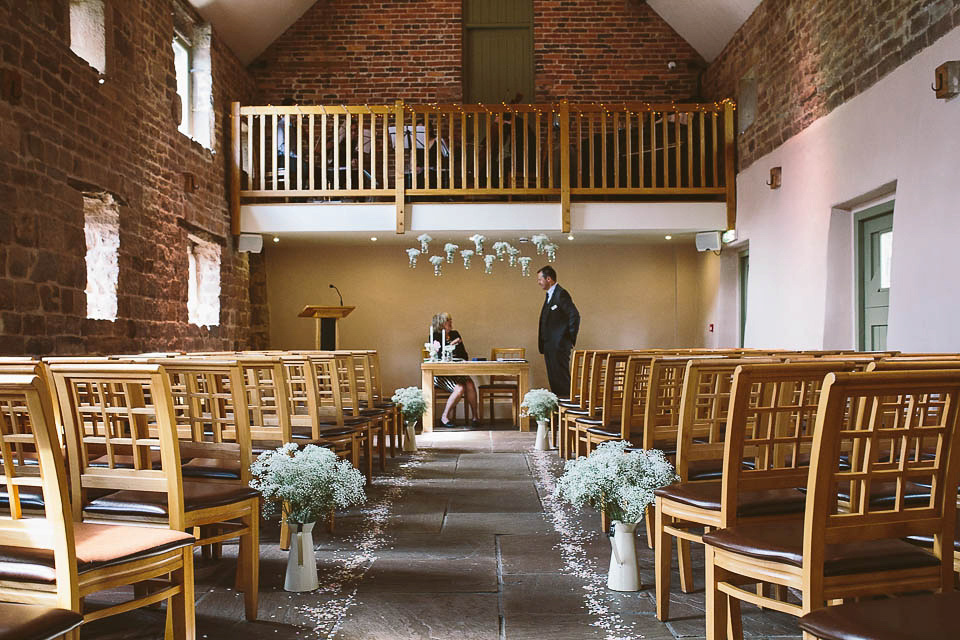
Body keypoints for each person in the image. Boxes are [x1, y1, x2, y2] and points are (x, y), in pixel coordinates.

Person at [430, 312, 480, 428]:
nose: (451, 323)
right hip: (442, 374)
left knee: (470, 384)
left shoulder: (455, 333)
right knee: (460, 388)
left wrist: (461, 359)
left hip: (457, 371)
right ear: (441, 323)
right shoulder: (435, 336)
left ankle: (475, 417)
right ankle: (444, 417)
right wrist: (452, 344)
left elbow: (464, 354)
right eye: (448, 321)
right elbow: (439, 355)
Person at [537, 265, 580, 396]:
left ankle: (568, 410)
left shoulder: (561, 294)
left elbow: (574, 315)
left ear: (549, 279)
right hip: (549, 345)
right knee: (554, 380)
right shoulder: (550, 295)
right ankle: (559, 412)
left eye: (540, 279)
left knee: (562, 379)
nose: (538, 282)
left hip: (559, 345)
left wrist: (568, 339)